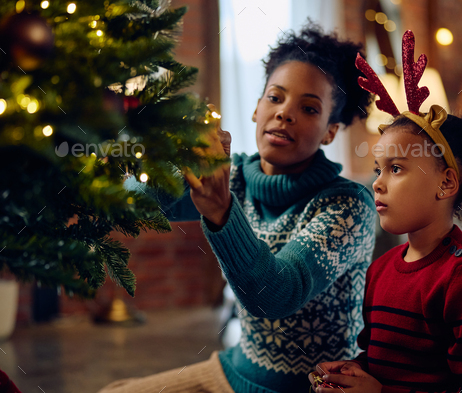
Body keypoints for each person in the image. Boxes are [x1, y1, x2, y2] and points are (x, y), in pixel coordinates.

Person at [99, 23, 376, 393]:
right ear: (256, 108)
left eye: (309, 108)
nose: (284, 113)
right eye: (275, 98)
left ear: (330, 130)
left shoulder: (348, 206)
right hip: (235, 371)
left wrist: (220, 211)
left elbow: (276, 294)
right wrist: (160, 148)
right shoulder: (232, 177)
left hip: (316, 387)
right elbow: (130, 202)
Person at [309, 30, 462, 393]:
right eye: (378, 170)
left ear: (446, 183)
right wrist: (353, 370)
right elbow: (388, 362)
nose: (378, 184)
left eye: (396, 169)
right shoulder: (380, 270)